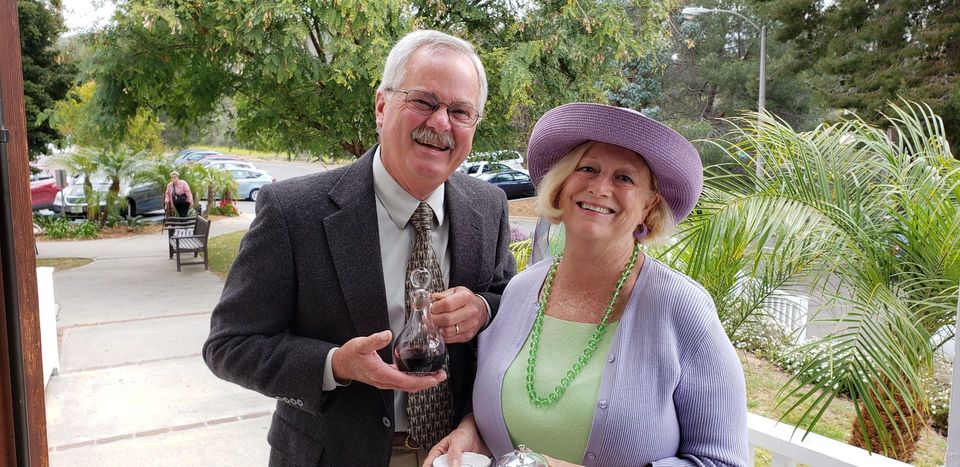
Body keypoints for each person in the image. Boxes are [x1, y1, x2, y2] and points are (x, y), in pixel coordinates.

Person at [202, 29, 516, 467]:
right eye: (424, 101)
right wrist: (336, 364)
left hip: (454, 455)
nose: (441, 123)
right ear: (382, 106)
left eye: (461, 111)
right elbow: (229, 345)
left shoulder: (489, 206)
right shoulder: (295, 212)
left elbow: (512, 306)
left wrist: (482, 307)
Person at [425, 103, 749, 467]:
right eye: (588, 168)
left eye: (625, 178)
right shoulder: (520, 290)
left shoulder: (682, 309)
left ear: (649, 206)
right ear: (562, 187)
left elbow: (725, 462)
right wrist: (473, 430)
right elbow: (495, 398)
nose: (599, 188)